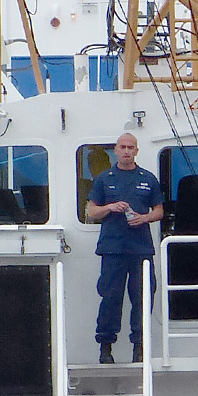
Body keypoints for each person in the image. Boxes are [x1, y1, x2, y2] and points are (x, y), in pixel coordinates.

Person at [85, 132, 163, 364]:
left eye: (131, 147)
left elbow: (159, 211)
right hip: (113, 248)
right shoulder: (104, 179)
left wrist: (144, 218)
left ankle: (139, 347)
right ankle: (105, 347)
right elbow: (92, 212)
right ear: (116, 150)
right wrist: (110, 207)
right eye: (123, 147)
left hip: (140, 249)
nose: (127, 151)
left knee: (142, 297)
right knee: (110, 297)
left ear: (137, 151)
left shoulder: (147, 178)